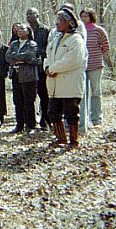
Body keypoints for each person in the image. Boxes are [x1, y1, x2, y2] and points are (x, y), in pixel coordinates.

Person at [44, 9, 88, 148]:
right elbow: (48, 55)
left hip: (70, 83)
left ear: (69, 23)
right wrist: (46, 68)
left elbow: (72, 60)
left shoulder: (76, 39)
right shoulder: (56, 38)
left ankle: (74, 140)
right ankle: (60, 138)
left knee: (71, 113)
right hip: (54, 83)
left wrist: (53, 68)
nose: (57, 23)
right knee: (53, 112)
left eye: (60, 20)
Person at [79, 8, 111, 132]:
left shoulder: (98, 30)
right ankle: (84, 118)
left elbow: (106, 46)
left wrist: (97, 55)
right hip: (82, 66)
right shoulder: (79, 31)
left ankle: (96, 118)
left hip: (95, 65)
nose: (83, 18)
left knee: (96, 91)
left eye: (86, 16)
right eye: (82, 16)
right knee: (83, 93)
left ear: (91, 17)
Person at [5, 24, 39, 133]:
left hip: (29, 76)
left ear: (28, 31)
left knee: (29, 101)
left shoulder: (32, 44)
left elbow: (27, 55)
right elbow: (7, 56)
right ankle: (19, 125)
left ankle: (31, 125)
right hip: (16, 75)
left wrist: (19, 57)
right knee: (17, 100)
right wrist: (18, 59)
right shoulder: (14, 43)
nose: (19, 31)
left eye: (22, 29)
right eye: (18, 30)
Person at [26, 8, 50, 130]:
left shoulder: (45, 30)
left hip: (41, 68)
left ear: (37, 15)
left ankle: (45, 120)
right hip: (28, 69)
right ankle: (30, 123)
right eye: (27, 14)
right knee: (29, 96)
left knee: (44, 95)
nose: (29, 16)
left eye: (31, 14)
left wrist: (39, 53)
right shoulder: (25, 30)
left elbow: (49, 47)